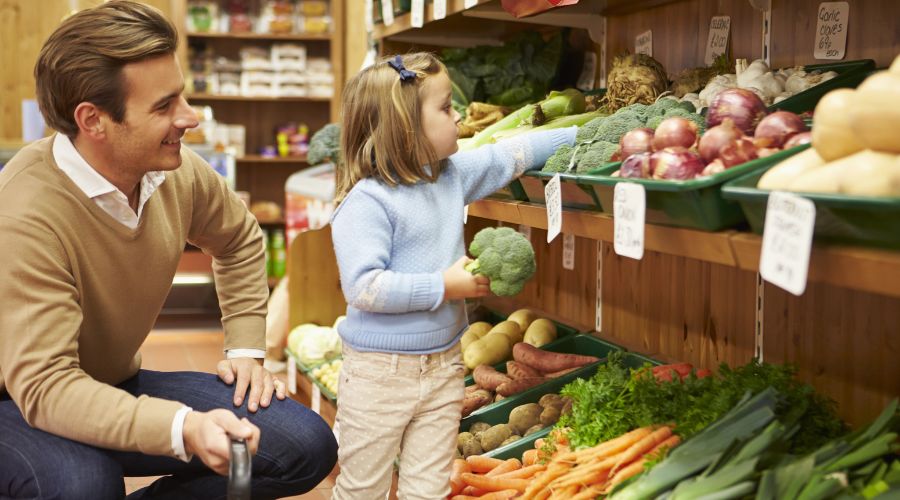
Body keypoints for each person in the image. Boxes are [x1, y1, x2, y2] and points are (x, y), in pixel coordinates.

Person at [0, 2, 336, 498]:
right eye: (164, 106)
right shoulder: (24, 214)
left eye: (181, 96)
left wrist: (245, 349)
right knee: (86, 486)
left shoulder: (171, 172)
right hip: (19, 399)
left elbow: (240, 238)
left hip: (111, 381)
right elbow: (47, 388)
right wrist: (183, 428)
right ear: (93, 120)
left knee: (305, 445)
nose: (190, 118)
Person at [329, 52, 576, 499]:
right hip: (377, 376)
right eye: (445, 108)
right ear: (406, 127)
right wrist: (444, 286)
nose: (458, 114)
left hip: (444, 368)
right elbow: (365, 287)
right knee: (362, 488)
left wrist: (582, 135)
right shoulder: (366, 201)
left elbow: (510, 155)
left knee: (428, 488)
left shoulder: (449, 178)